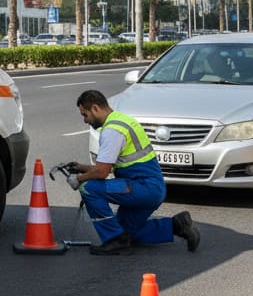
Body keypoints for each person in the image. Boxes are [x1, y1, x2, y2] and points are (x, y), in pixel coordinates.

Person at [67, 89, 200, 256]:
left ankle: (114, 240)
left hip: (142, 187)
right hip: (151, 187)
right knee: (127, 232)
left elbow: (101, 172)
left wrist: (78, 178)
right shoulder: (122, 121)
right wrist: (80, 167)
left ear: (95, 108)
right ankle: (177, 226)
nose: (85, 120)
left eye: (84, 115)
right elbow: (107, 167)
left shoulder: (111, 131)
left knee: (88, 188)